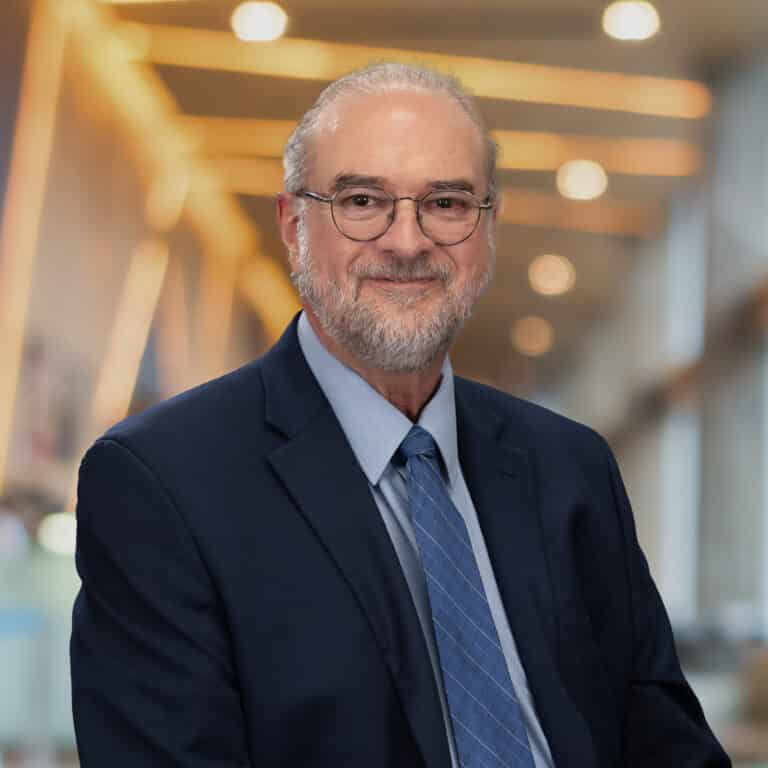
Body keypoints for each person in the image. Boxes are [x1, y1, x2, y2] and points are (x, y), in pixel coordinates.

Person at [70, 63, 730, 767]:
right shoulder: (162, 484)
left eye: (446, 203)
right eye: (361, 200)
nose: (407, 242)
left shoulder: (570, 467)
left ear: (488, 229)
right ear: (294, 224)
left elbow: (668, 745)